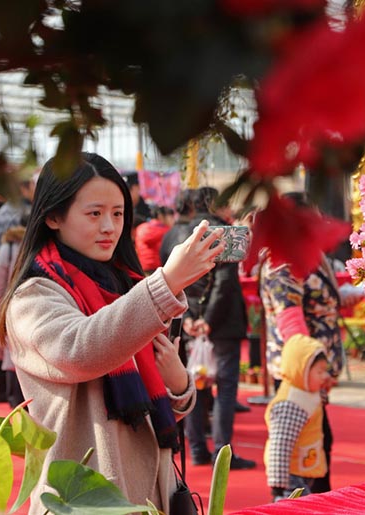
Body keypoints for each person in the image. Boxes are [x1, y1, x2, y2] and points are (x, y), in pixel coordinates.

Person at [0, 152, 222, 515]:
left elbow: (149, 408)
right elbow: (81, 351)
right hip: (83, 497)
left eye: (118, 213)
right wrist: (166, 283)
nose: (110, 226)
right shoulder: (34, 295)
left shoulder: (126, 285)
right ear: (53, 216)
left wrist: (177, 382)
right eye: (95, 213)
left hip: (152, 494)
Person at [259, 191, 344, 493]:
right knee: (303, 443)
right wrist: (313, 369)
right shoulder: (283, 261)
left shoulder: (302, 253)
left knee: (318, 442)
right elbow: (290, 321)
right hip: (301, 375)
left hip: (310, 371)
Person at [182, 186, 255, 470]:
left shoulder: (176, 232)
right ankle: (222, 454)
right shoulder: (222, 233)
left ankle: (198, 449)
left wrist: (188, 316)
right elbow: (224, 283)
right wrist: (208, 320)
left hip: (190, 321)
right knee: (224, 389)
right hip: (220, 324)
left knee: (195, 385)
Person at [265, 334, 330, 501]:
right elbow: (280, 446)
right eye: (319, 371)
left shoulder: (306, 391)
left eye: (325, 370)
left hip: (303, 467)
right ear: (301, 372)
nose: (324, 376)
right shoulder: (291, 403)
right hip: (291, 475)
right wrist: (278, 484)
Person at [0, 220, 27, 407]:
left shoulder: (9, 247)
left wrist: (1, 312)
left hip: (13, 314)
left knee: (14, 360)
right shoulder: (45, 245)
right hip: (41, 316)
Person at [135, 205, 175, 274]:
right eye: (171, 217)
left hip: (142, 267)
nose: (173, 220)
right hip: (159, 269)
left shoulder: (140, 228)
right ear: (161, 216)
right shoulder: (167, 231)